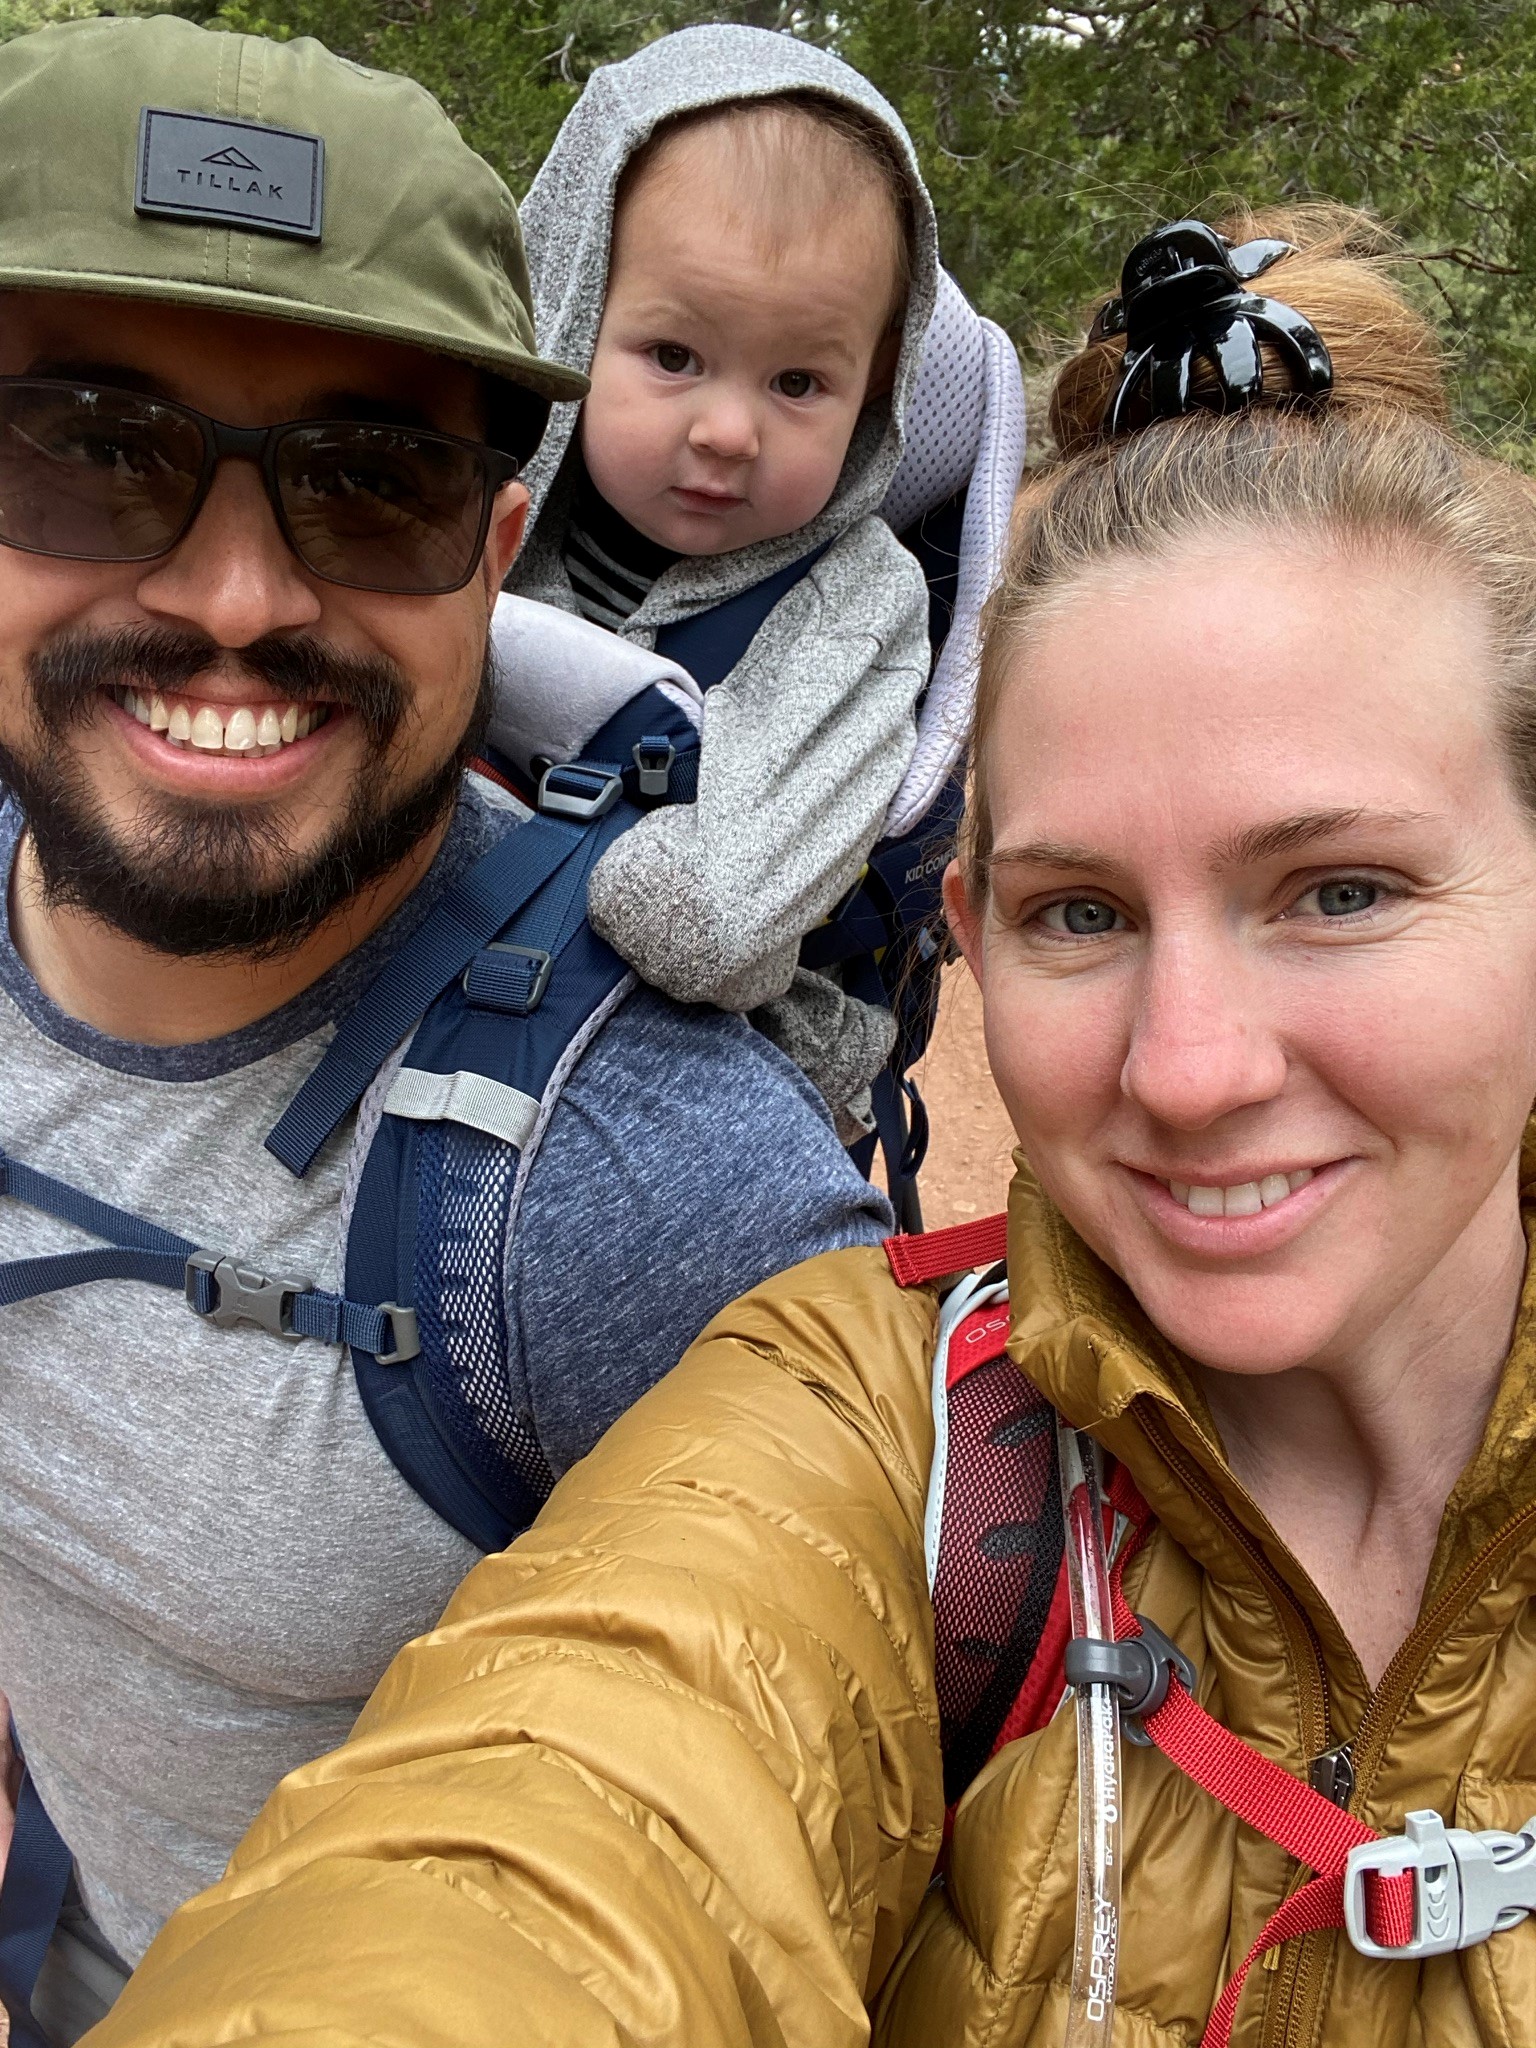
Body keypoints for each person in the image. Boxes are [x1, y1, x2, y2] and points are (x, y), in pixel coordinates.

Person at [84, 204, 1536, 2047]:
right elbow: (557, 1819)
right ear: (973, 927)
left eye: (1337, 891)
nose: (1186, 1066)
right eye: (1079, 913)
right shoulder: (863, 1423)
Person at [0, 16, 892, 2045]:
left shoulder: (644, 1194)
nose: (234, 593)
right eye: (90, 450)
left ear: (496, 559)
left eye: (374, 482)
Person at [509, 27, 940, 1138]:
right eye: (673, 356)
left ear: (877, 383)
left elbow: (717, 918)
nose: (729, 430)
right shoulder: (477, 518)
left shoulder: (855, 601)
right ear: (573, 309)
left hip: (722, 1078)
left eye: (799, 380)